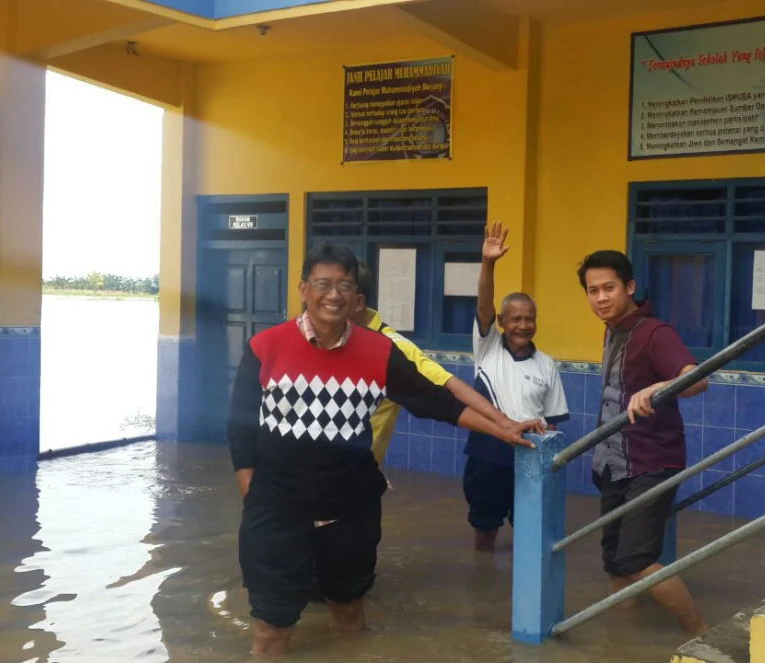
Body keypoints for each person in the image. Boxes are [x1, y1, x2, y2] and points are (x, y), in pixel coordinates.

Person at [227, 243, 539, 656]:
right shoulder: (266, 346)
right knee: (270, 630)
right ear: (304, 289)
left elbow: (439, 400)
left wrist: (503, 428)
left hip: (350, 510)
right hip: (276, 514)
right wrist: (252, 492)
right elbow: (240, 426)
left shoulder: (379, 351)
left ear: (357, 296)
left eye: (344, 285)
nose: (333, 294)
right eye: (323, 284)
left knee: (350, 616)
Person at [576, 249, 709, 635]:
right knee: (614, 558)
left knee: (635, 557)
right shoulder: (614, 330)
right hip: (614, 463)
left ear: (629, 287)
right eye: (592, 290)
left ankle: (701, 631)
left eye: (609, 288)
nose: (600, 297)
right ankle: (620, 641)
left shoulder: (655, 332)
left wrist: (657, 387)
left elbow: (698, 379)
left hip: (652, 462)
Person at [350, 260, 522, 466]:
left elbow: (447, 385)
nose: (328, 299)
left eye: (338, 289)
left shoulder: (390, 347)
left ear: (358, 300)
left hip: (354, 476)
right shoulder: (312, 339)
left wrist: (503, 424)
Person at [466, 222, 570, 552]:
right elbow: (483, 304)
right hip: (487, 455)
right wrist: (489, 263)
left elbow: (552, 422)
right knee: (485, 534)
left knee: (531, 534)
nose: (523, 325)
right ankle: (483, 587)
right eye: (515, 319)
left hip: (529, 459)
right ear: (501, 322)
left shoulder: (547, 364)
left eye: (529, 319)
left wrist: (548, 466)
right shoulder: (487, 348)